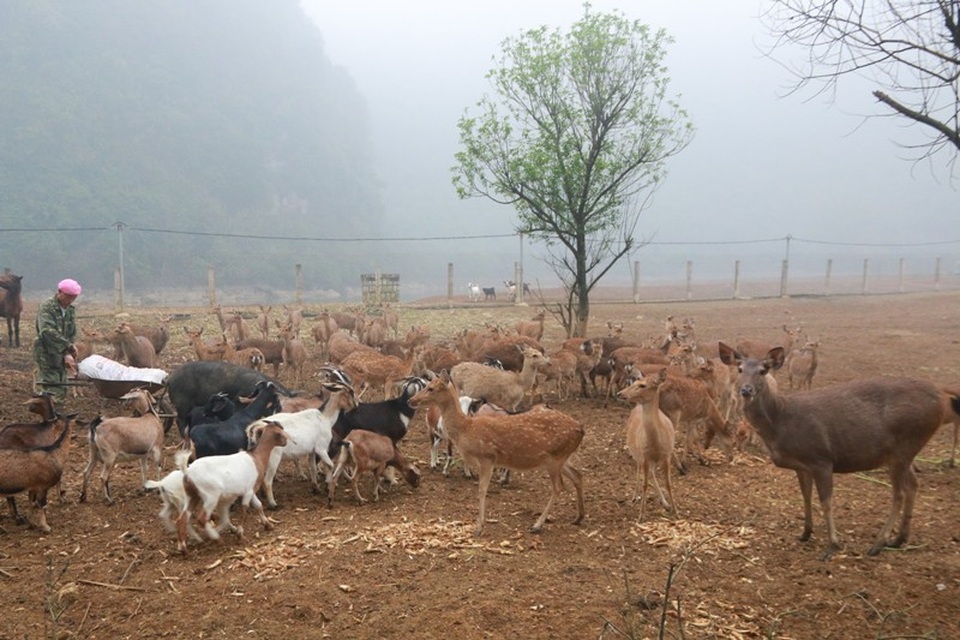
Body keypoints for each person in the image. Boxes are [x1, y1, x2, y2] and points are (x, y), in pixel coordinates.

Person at [33, 278, 81, 407]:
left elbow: (71, 332)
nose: (70, 300)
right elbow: (47, 331)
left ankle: (56, 415)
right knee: (51, 386)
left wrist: (69, 351)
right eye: (68, 297)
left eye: (74, 297)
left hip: (61, 352)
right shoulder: (47, 307)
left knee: (62, 384)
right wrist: (67, 347)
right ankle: (51, 419)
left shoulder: (70, 310)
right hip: (47, 352)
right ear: (59, 292)